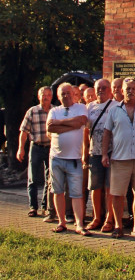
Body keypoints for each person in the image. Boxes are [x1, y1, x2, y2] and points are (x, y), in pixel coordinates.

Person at [102, 78, 135, 238]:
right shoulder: (114, 110)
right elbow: (107, 133)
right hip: (119, 158)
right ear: (121, 91)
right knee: (117, 194)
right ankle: (118, 226)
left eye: (134, 88)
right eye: (128, 89)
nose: (131, 91)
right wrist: (105, 153)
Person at [46, 83, 90, 235]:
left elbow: (81, 122)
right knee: (57, 191)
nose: (66, 95)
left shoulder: (80, 108)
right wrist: (71, 124)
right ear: (58, 96)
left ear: (73, 94)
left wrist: (60, 124)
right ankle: (61, 222)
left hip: (74, 159)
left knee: (77, 193)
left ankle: (79, 224)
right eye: (62, 94)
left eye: (68, 93)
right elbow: (50, 127)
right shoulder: (54, 110)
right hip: (56, 158)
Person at [82, 78, 115, 232]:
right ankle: (97, 217)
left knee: (110, 187)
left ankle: (109, 218)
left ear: (110, 90)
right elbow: (86, 131)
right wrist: (84, 152)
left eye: (104, 88)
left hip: (112, 153)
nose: (100, 90)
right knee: (95, 187)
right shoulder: (90, 107)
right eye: (98, 88)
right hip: (94, 152)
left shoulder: (116, 106)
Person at [17, 87, 54, 219]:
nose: (46, 97)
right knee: (32, 178)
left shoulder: (55, 111)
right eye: (43, 95)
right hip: (36, 147)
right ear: (39, 97)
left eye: (49, 95)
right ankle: (33, 207)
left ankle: (45, 206)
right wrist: (21, 148)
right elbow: (24, 131)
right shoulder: (32, 111)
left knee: (49, 178)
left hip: (50, 147)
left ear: (52, 96)